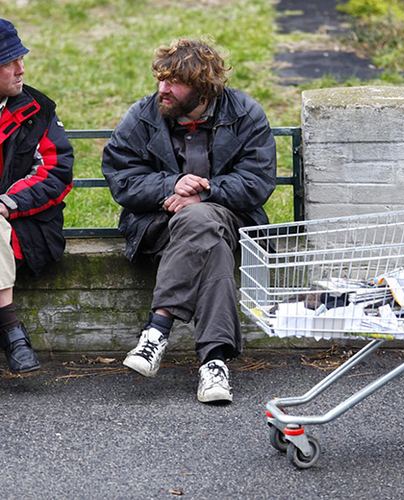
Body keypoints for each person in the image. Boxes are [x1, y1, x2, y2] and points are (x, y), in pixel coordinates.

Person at [102, 38, 276, 403]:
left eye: (173, 83)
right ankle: (214, 363)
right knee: (211, 245)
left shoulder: (245, 114)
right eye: (160, 80)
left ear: (201, 88)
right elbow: (121, 176)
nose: (162, 89)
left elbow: (257, 182)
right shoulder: (144, 115)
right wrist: (171, 184)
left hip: (231, 218)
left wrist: (205, 192)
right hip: (159, 225)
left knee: (201, 219)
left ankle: (157, 330)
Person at [0, 19, 74, 373]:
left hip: (25, 228)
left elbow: (55, 173)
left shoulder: (37, 108)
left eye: (20, 58)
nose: (21, 68)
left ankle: (12, 330)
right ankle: (12, 332)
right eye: (9, 61)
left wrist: (6, 203)